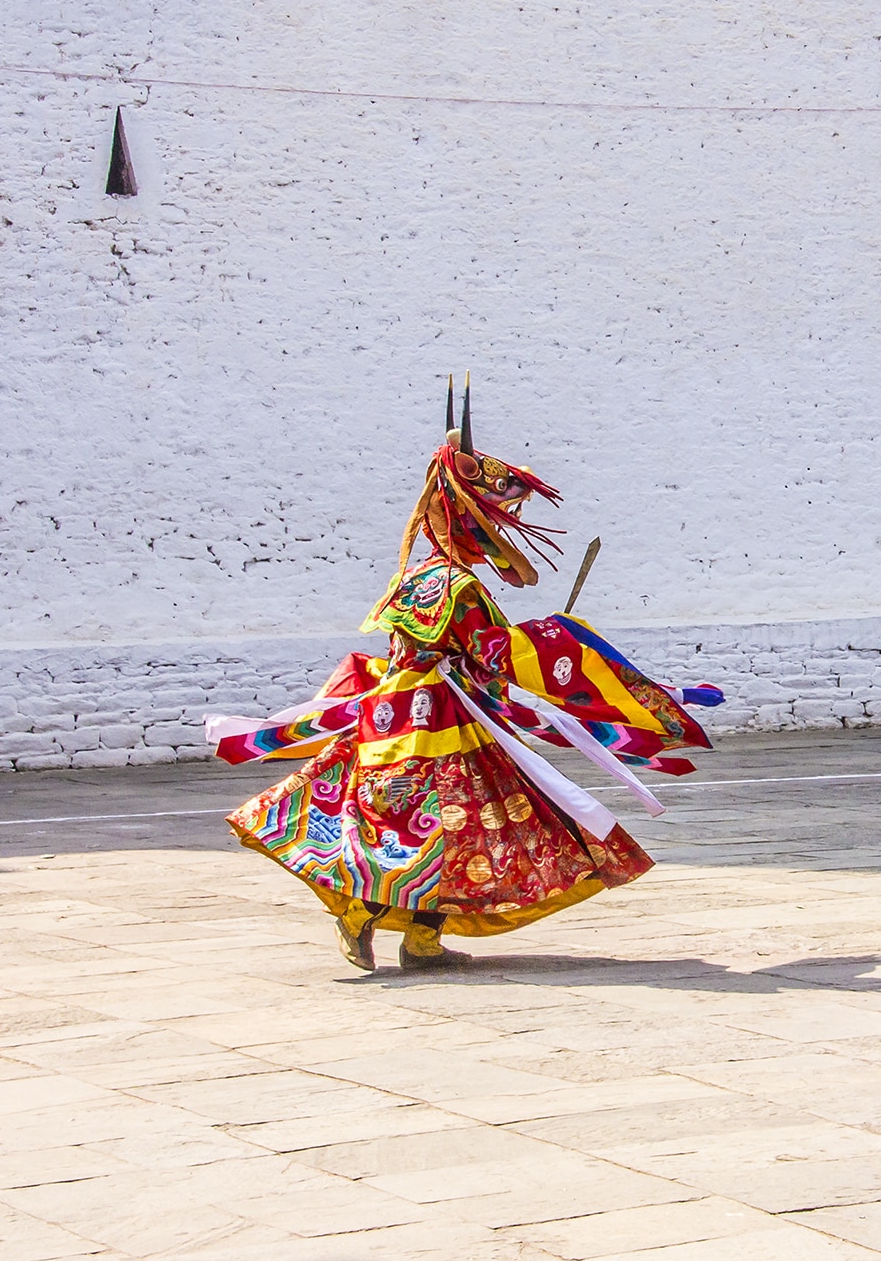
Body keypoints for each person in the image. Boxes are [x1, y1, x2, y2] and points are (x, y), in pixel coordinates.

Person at [208, 383, 721, 971]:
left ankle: (421, 938)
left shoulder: (417, 577)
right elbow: (496, 654)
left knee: (441, 824)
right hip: (443, 724)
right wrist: (566, 636)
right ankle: (359, 912)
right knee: (444, 823)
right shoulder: (461, 587)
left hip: (395, 717)